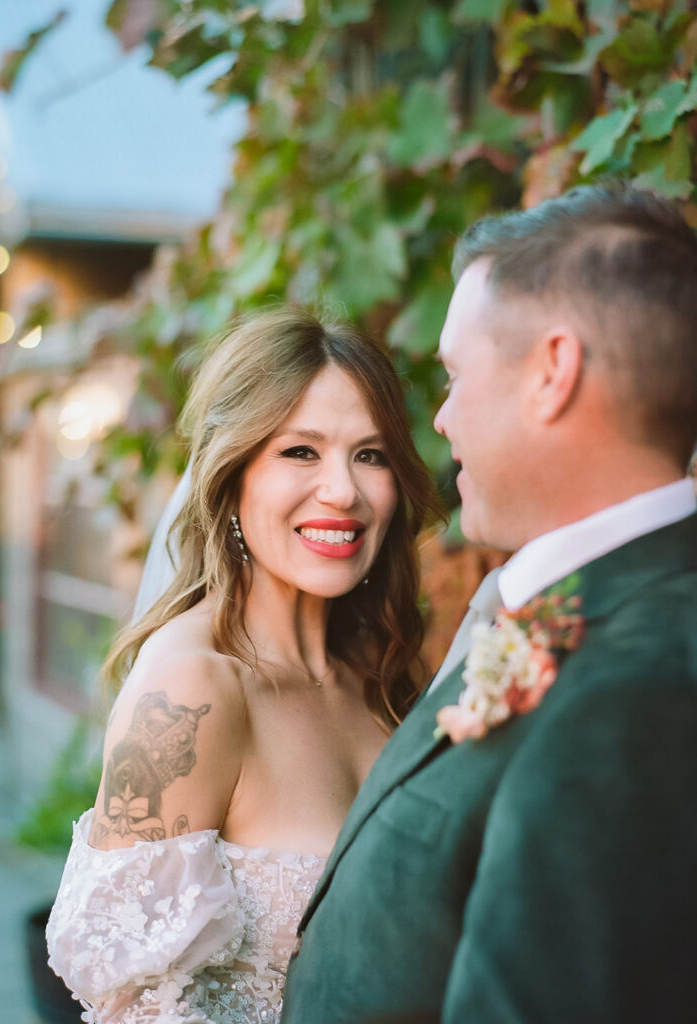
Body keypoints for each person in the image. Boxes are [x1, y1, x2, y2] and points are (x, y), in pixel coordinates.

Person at [280, 182, 697, 1024]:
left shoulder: (643, 682)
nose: (439, 418)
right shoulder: (579, 607)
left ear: (553, 373)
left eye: (457, 374)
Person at [46, 308, 440, 1024]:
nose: (342, 491)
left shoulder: (387, 678)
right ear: (233, 475)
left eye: (371, 454)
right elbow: (131, 1006)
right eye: (300, 452)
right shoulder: (193, 688)